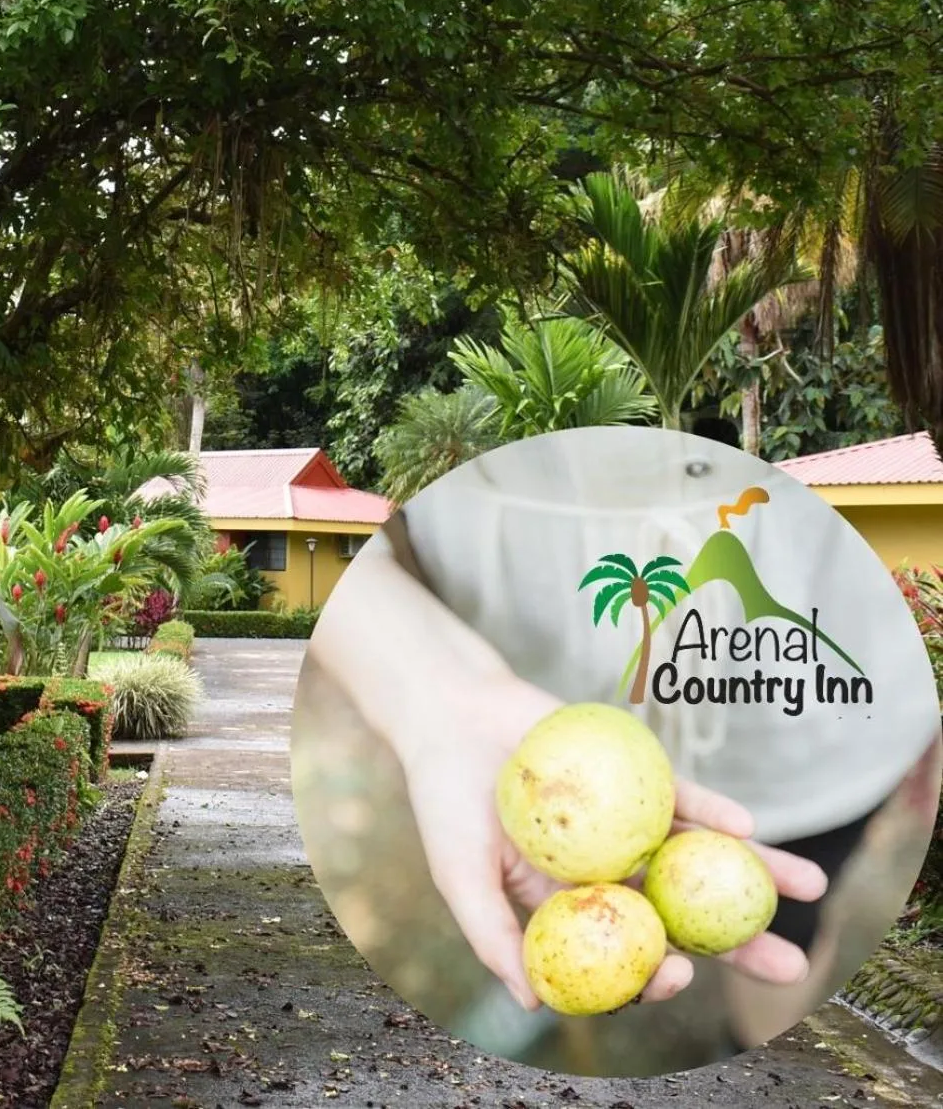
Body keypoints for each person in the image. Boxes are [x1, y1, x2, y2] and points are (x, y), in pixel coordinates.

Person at [311, 426, 941, 1015]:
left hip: (822, 727)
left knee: (788, 942)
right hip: (537, 692)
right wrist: (434, 695)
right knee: (776, 946)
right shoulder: (439, 438)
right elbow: (353, 545)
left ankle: (767, 1061)